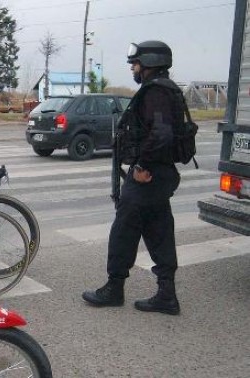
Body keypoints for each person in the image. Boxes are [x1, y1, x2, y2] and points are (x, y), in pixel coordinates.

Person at [82, 41, 183, 315]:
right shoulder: (164, 90)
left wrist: (141, 165)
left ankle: (114, 289)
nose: (133, 68)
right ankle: (166, 294)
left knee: (123, 231)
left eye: (135, 64)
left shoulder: (156, 92)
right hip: (160, 175)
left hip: (148, 175)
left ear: (150, 63)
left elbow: (161, 134)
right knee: (159, 231)